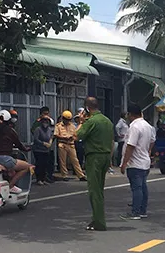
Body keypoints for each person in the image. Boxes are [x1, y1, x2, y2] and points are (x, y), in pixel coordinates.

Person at [76, 97, 114, 231]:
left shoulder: (91, 121)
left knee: (94, 191)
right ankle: (96, 218)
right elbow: (111, 141)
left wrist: (81, 122)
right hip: (105, 157)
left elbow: (77, 135)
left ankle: (99, 222)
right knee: (100, 189)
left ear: (87, 108)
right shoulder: (107, 121)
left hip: (94, 157)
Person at [119, 103, 156, 220]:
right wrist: (148, 151)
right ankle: (142, 210)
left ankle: (135, 212)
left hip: (135, 163)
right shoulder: (148, 126)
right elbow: (152, 140)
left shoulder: (135, 127)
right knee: (143, 187)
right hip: (145, 161)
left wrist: (124, 163)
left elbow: (130, 146)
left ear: (130, 114)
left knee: (137, 188)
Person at [0, 110, 32, 194]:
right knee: (26, 167)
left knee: (11, 170)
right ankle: (10, 186)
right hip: (4, 158)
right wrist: (26, 149)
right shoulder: (10, 131)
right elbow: (18, 144)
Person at [54, 110, 86, 182]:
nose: (67, 121)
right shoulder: (58, 126)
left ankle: (81, 175)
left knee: (75, 160)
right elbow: (56, 135)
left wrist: (73, 138)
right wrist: (64, 137)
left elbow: (75, 135)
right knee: (63, 161)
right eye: (66, 119)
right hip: (62, 144)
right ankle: (64, 175)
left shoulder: (72, 126)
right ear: (63, 118)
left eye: (69, 120)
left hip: (71, 144)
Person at [32, 116, 54, 185]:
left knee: (45, 165)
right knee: (39, 164)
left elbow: (51, 136)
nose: (45, 123)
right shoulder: (38, 129)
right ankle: (38, 179)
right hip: (38, 150)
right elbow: (36, 139)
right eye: (44, 121)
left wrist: (50, 142)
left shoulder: (49, 130)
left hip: (46, 150)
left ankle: (43, 179)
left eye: (46, 122)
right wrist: (43, 143)